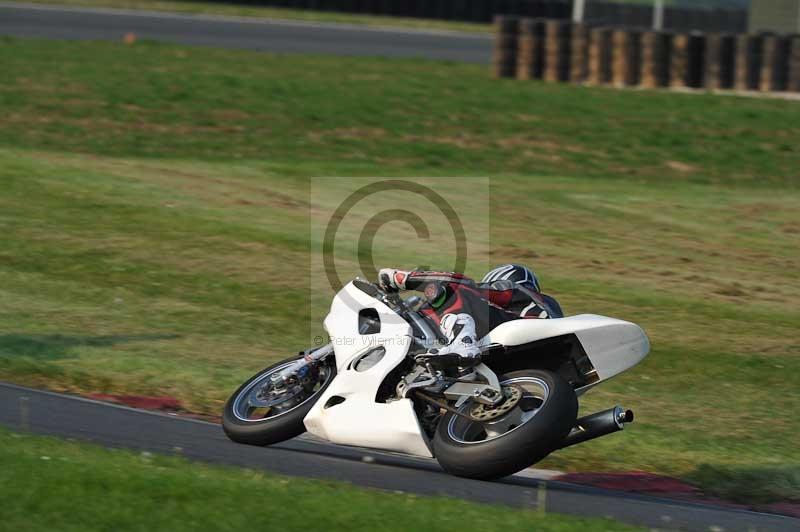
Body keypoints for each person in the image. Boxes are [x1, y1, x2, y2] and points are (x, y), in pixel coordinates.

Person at [378, 265, 561, 360]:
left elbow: (463, 285)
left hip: (519, 334)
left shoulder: (515, 292)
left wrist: (406, 281)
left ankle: (462, 343)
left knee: (451, 287)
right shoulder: (549, 308)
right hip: (533, 358)